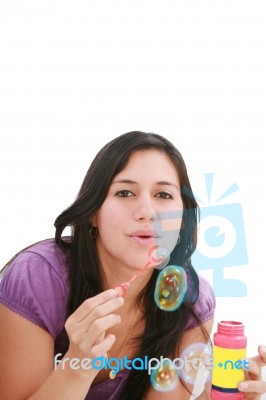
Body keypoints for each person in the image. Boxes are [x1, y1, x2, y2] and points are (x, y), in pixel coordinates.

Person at [0, 131, 265, 400]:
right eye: (125, 192)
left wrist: (220, 396)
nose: (147, 211)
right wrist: (77, 367)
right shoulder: (36, 280)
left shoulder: (190, 302)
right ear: (93, 212)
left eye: (163, 194)